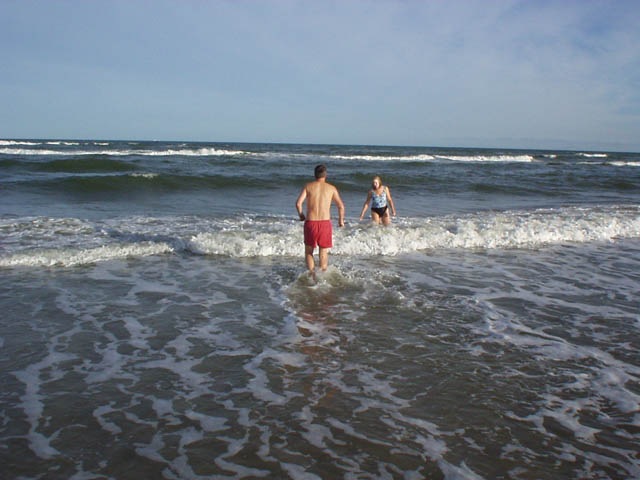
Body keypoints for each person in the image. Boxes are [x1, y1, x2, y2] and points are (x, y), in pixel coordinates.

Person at [295, 164, 345, 275]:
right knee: (323, 251)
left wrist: (301, 215)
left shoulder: (308, 187)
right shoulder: (331, 188)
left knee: (309, 252)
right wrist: (341, 221)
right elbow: (341, 206)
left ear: (315, 175)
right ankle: (322, 277)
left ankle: (312, 275)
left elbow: (298, 203)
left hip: (311, 223)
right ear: (325, 175)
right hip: (325, 223)